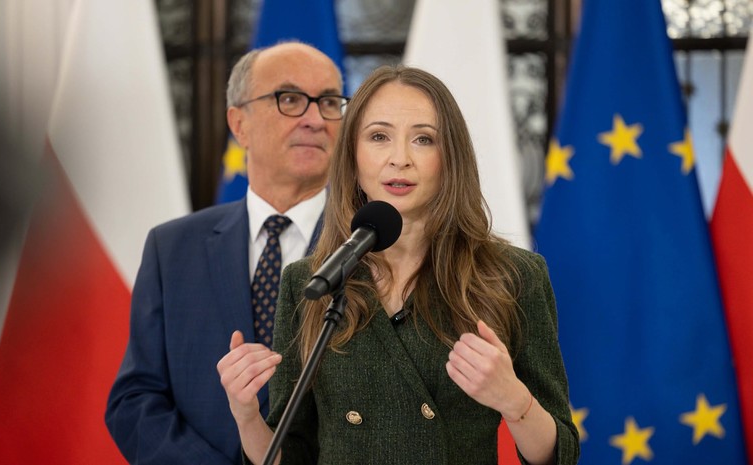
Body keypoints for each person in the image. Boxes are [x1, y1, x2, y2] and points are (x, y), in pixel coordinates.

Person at [217, 65, 580, 464]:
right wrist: (246, 415)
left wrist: (513, 399)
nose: (400, 159)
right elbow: (292, 455)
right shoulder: (309, 282)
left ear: (450, 158)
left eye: (423, 139)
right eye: (379, 137)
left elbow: (559, 454)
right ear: (352, 157)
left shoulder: (512, 275)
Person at [105, 41, 347, 464]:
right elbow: (136, 399)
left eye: (328, 102)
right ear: (239, 124)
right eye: (290, 99)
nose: (314, 119)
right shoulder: (171, 248)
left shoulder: (372, 248)